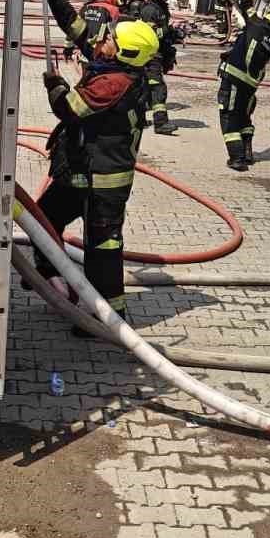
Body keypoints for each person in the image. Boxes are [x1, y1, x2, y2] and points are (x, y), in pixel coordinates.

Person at [35, 19, 159, 330]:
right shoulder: (115, 67)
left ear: (123, 51)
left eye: (111, 38)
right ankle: (52, 276)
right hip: (84, 174)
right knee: (43, 218)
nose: (103, 38)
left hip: (103, 184)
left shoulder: (114, 83)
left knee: (103, 249)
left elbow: (69, 108)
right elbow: (82, 35)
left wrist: (55, 84)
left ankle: (106, 319)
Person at [218, 3, 270, 172]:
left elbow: (245, 2)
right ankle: (246, 152)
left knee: (229, 116)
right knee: (244, 116)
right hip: (251, 84)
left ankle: (237, 158)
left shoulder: (256, 24)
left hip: (234, 78)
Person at [136, 0, 180, 135]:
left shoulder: (159, 8)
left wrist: (175, 33)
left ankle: (138, 119)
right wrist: (169, 29)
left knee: (145, 89)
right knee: (158, 88)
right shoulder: (150, 10)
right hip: (150, 55)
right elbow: (150, 34)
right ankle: (160, 123)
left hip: (156, 53)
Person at [46, 0, 119, 59]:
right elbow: (116, 37)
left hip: (84, 54)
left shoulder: (84, 9)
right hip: (102, 57)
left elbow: (73, 28)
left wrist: (68, 48)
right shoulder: (113, 10)